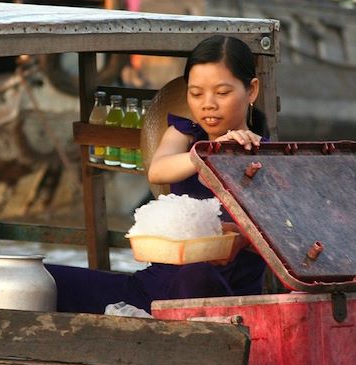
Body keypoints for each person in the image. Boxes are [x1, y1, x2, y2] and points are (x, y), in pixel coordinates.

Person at [47, 36, 267, 314]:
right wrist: (210, 153)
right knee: (43, 281)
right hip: (154, 287)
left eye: (222, 93)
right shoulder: (185, 133)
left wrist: (244, 239)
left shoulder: (267, 155)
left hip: (221, 295)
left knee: (195, 274)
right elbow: (158, 169)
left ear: (251, 90)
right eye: (196, 93)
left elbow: (288, 237)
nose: (208, 104)